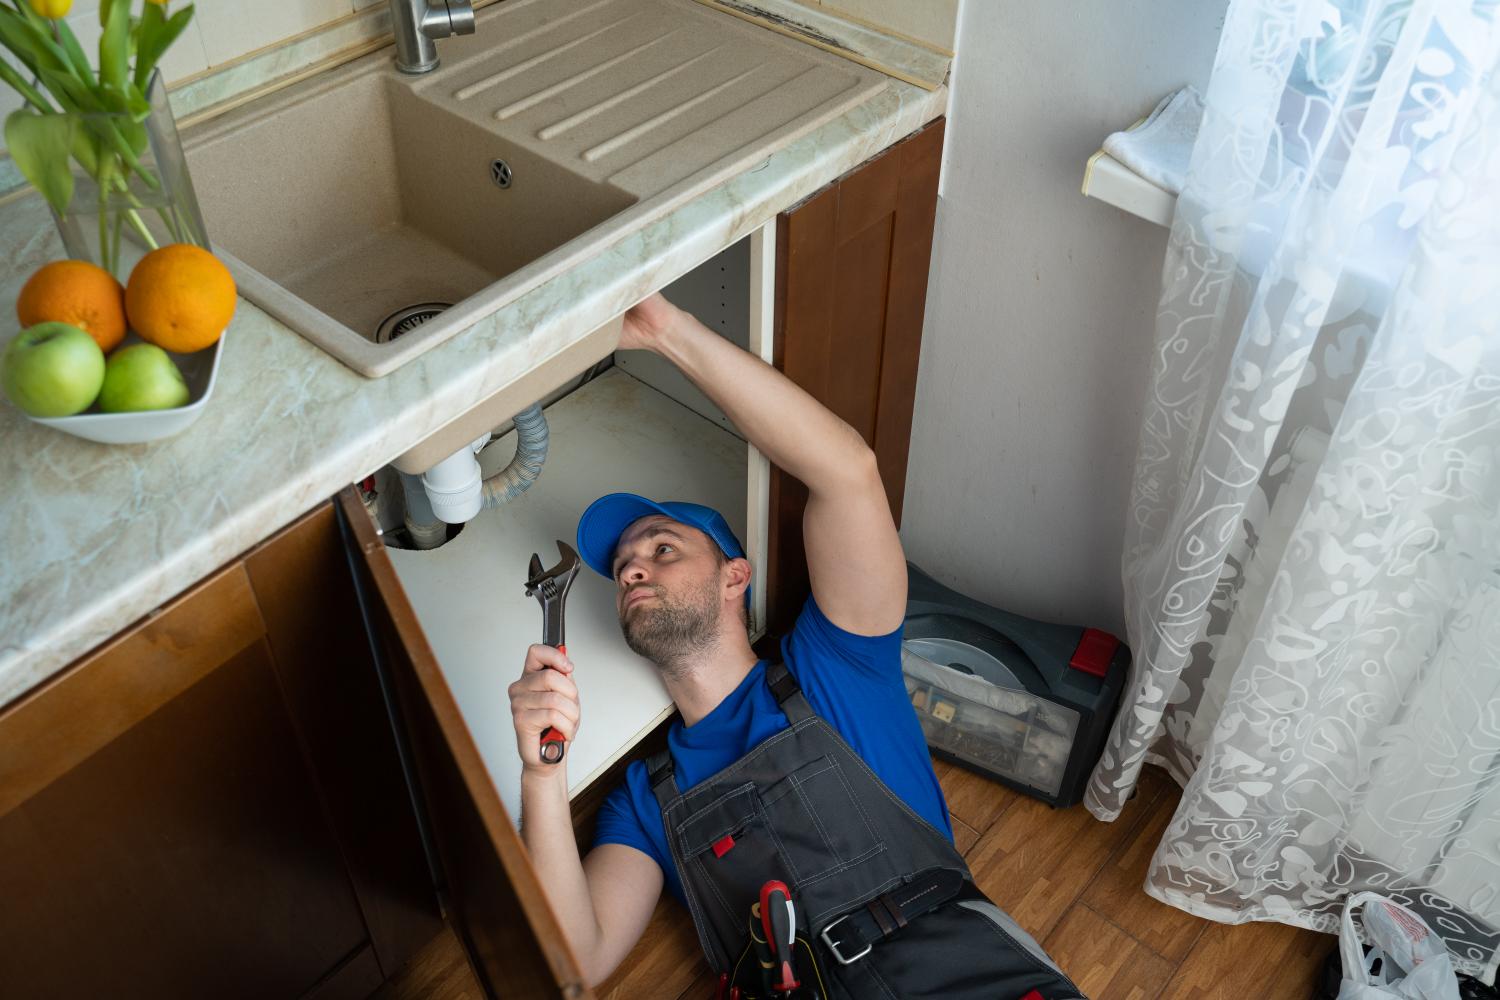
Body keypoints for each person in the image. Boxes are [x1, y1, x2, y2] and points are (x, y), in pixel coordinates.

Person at [508, 293, 1080, 998]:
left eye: (662, 547)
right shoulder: (645, 800)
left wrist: (666, 331)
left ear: (734, 577)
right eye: (626, 565)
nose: (633, 567)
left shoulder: (838, 666)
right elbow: (580, 961)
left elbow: (847, 472)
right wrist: (541, 779)